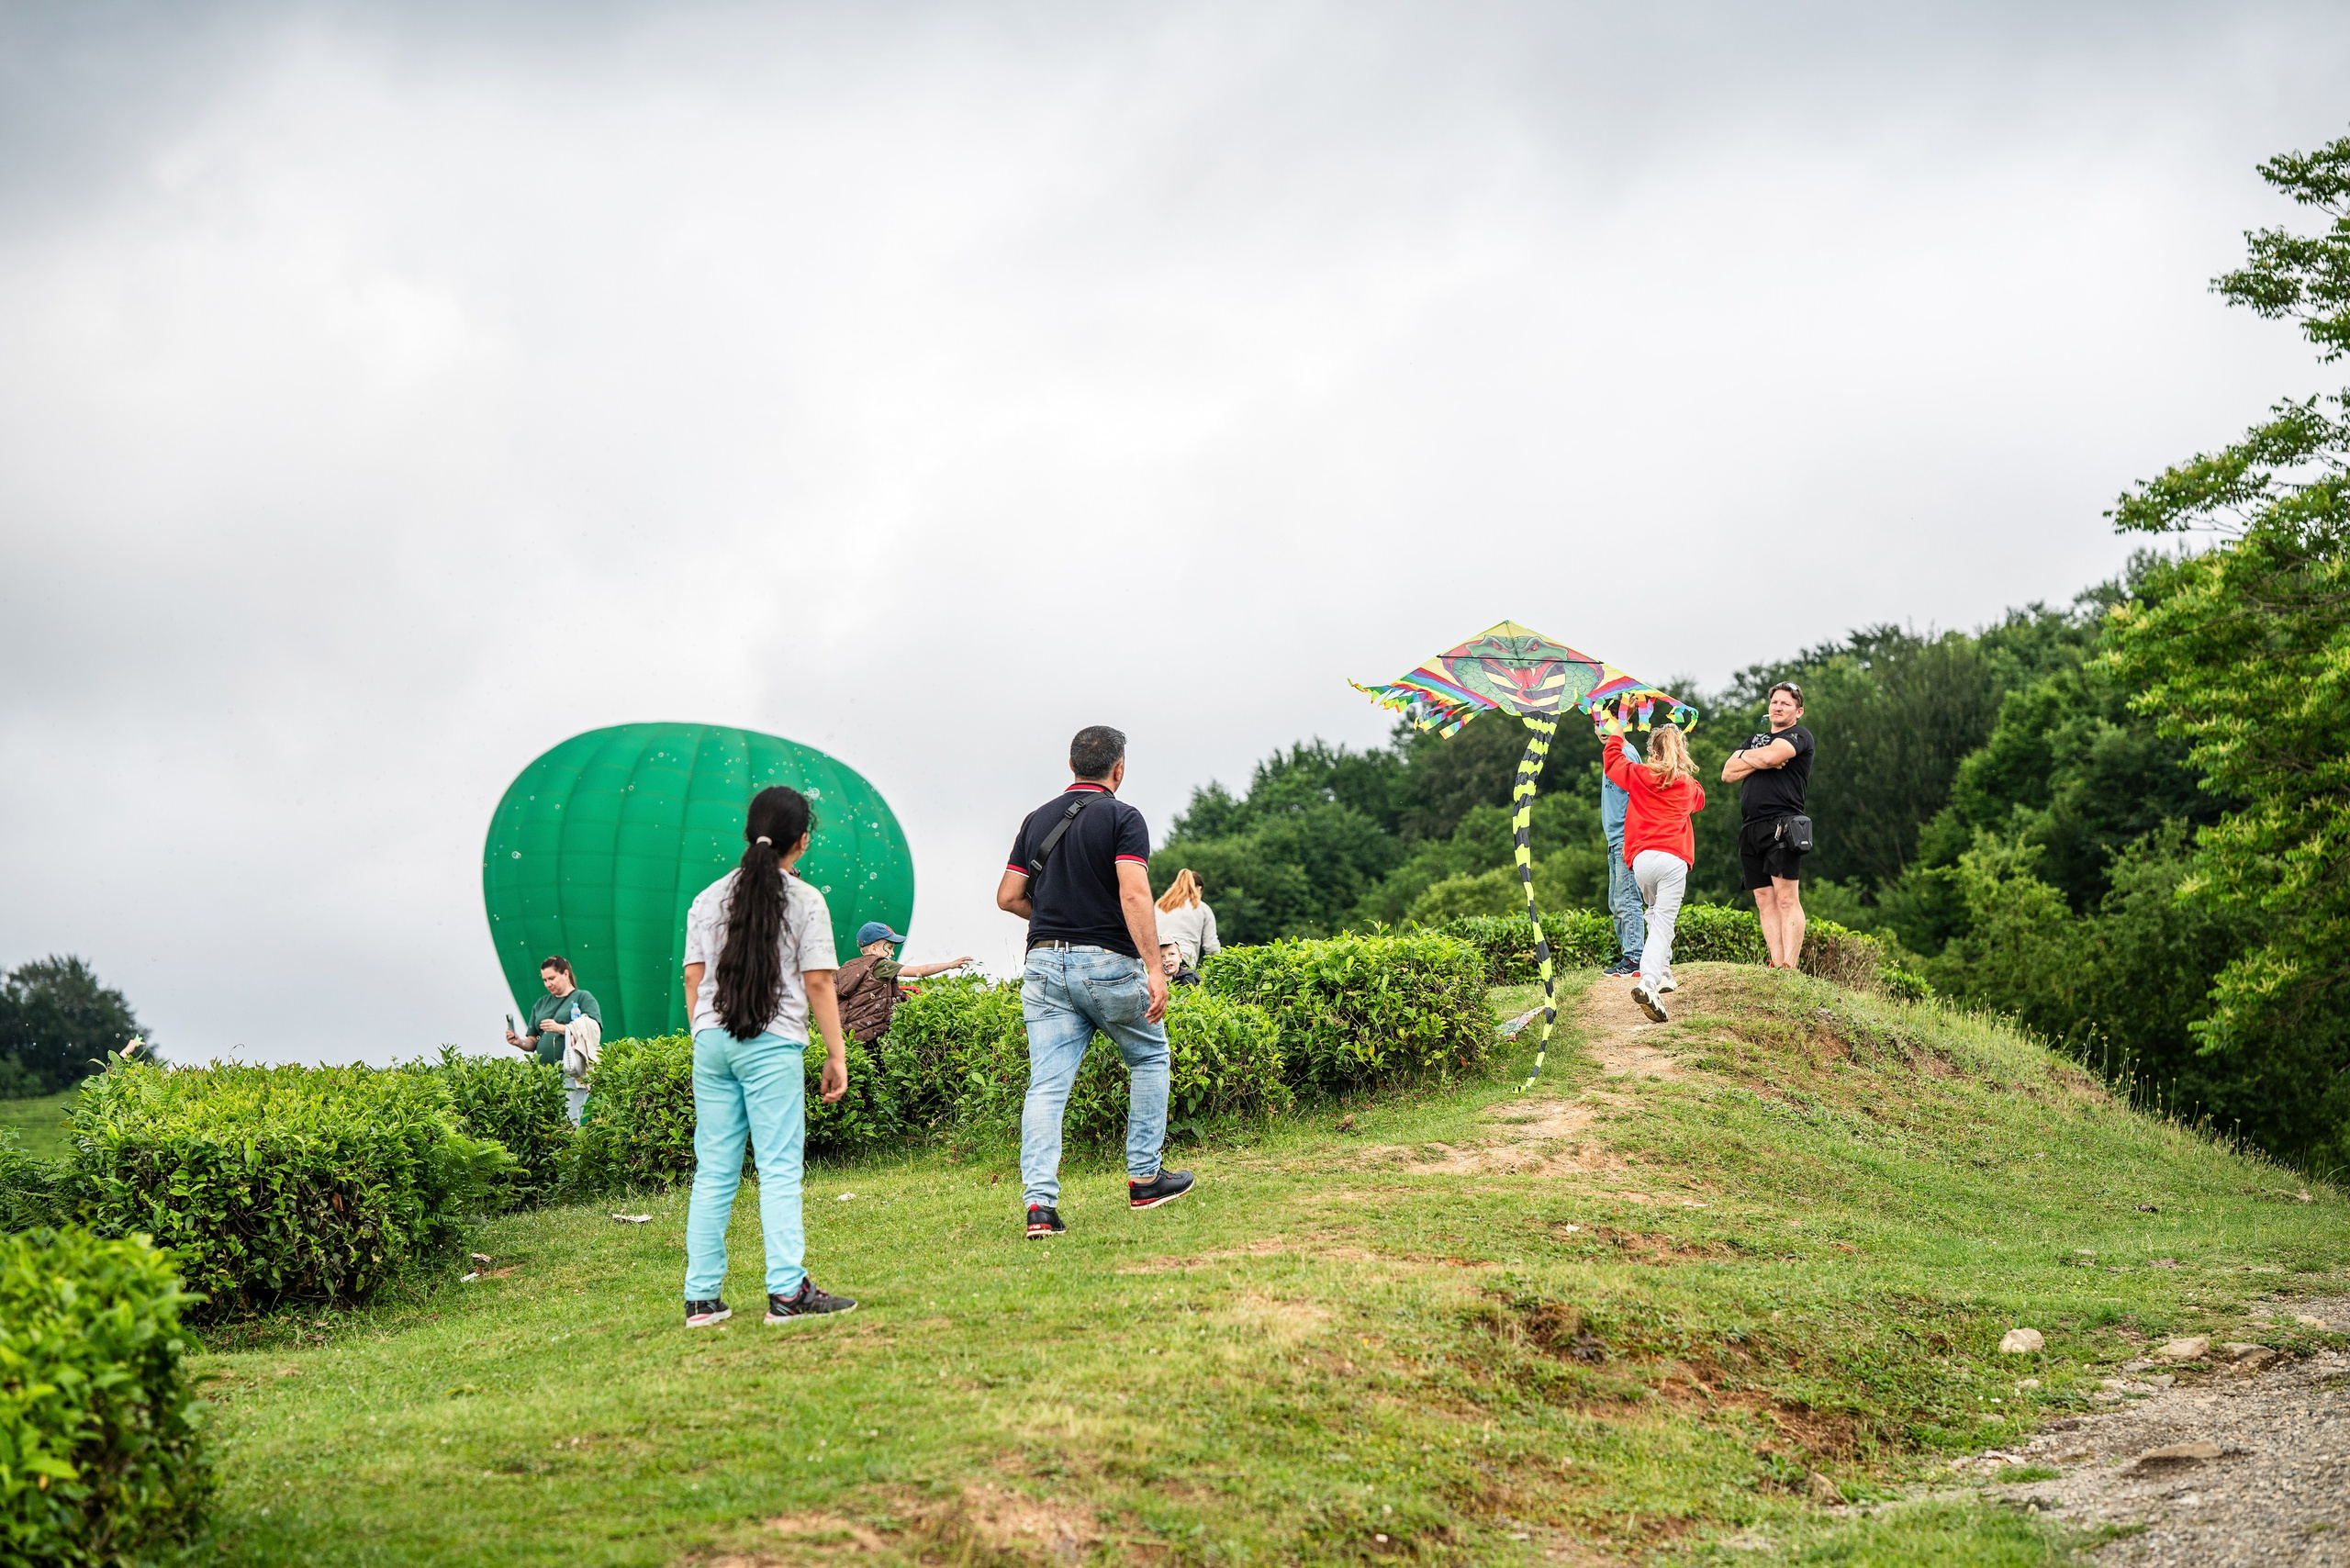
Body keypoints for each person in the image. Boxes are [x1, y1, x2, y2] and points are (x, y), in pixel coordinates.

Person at [995, 724, 1193, 1240]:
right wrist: (1154, 966)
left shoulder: (1036, 820)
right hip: (1106, 964)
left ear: (1071, 766)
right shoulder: (1123, 818)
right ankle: (1145, 1179)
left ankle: (1040, 1207)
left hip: (1042, 966)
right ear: (1118, 768)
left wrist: (1058, 916)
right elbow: (1134, 896)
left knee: (1047, 1086)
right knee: (1149, 1056)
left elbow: (1008, 896)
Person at [677, 786, 856, 1327]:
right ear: (801, 842)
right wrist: (836, 1054)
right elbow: (821, 982)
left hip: (712, 1040)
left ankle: (702, 1298)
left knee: (714, 1171)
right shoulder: (805, 901)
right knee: (778, 1169)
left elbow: (693, 978)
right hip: (771, 1039)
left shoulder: (707, 899)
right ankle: (786, 1291)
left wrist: (706, 1034)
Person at [1599, 719, 1706, 1024]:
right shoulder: (1688, 786)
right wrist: (1679, 770)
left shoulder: (1639, 776)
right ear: (1680, 752)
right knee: (1663, 923)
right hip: (1673, 860)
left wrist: (1617, 732)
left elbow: (1612, 762)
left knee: (1653, 911)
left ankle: (1664, 970)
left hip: (1642, 860)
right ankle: (1649, 981)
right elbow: (1699, 802)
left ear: (1652, 753)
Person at [1720, 681, 1815, 969]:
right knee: (1764, 898)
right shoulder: (1754, 740)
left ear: (1798, 711)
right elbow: (1727, 773)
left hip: (1783, 824)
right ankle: (1775, 963)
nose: (1778, 707)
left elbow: (1773, 756)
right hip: (1751, 827)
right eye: (1775, 702)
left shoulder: (1800, 735)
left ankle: (1790, 966)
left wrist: (1749, 758)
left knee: (1786, 897)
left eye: (1786, 704)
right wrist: (1756, 758)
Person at [832, 922, 972, 1045]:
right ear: (874, 949)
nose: (892, 953)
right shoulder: (880, 965)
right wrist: (950, 964)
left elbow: (864, 994)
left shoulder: (849, 968)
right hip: (870, 1035)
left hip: (849, 1035)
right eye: (890, 947)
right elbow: (921, 970)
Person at [504, 956, 601, 1125]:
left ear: (565, 974)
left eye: (551, 978)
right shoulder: (541, 1004)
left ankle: (571, 1150)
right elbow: (532, 1041)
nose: (548, 984)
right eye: (544, 980)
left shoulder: (583, 998)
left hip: (571, 1070)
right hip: (544, 1074)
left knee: (569, 1119)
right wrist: (519, 1042)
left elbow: (594, 1028)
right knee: (544, 1121)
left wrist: (562, 1028)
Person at [1596, 735, 1646, 980]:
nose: (1602, 728)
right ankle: (1629, 954)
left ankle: (1635, 957)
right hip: (1614, 838)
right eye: (1597, 722)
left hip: (1626, 838)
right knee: (1616, 903)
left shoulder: (1626, 754)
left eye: (1608, 721)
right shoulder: (1612, 754)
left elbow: (1638, 796)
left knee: (1627, 899)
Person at [1151, 869, 1222, 969]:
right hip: (1183, 961)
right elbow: (1211, 946)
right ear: (1199, 889)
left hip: (1157, 961)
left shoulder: (1159, 906)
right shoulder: (1201, 907)